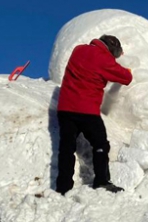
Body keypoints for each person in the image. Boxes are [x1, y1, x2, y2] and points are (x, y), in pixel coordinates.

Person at [55, 35, 133, 195]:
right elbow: (126, 78)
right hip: (86, 110)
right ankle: (102, 181)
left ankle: (63, 188)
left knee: (66, 148)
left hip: (65, 108)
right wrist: (127, 69)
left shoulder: (79, 50)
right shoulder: (104, 59)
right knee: (100, 145)